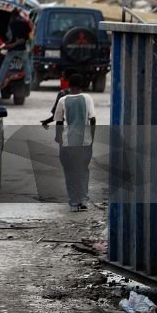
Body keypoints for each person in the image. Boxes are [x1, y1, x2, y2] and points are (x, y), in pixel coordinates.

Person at [51, 75, 96, 212]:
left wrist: (58, 137)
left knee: (70, 172)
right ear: (82, 86)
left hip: (68, 142)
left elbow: (59, 121)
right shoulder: (87, 98)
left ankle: (74, 201)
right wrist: (91, 137)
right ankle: (83, 200)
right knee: (83, 170)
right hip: (85, 142)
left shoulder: (63, 100)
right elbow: (92, 119)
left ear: (69, 86)